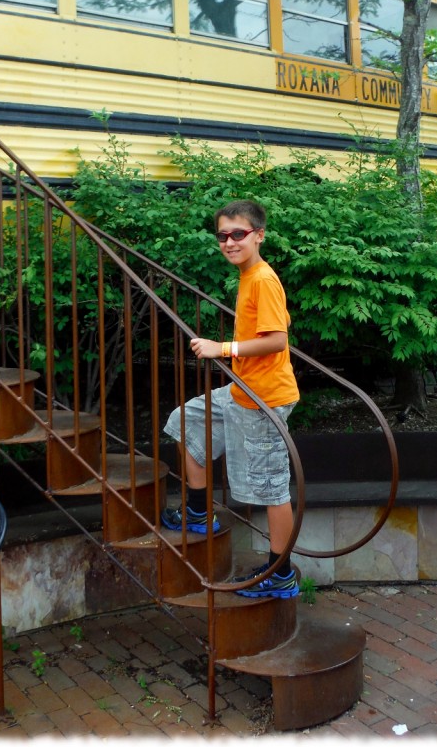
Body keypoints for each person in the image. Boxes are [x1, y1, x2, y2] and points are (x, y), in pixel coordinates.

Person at [161, 198, 300, 599]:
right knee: (186, 422)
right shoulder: (249, 276)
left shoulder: (262, 279)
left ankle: (280, 573)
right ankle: (199, 513)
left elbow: (277, 339)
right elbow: (278, 320)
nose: (229, 242)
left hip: (264, 400)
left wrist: (221, 348)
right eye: (222, 235)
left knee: (272, 487)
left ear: (259, 235)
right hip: (240, 391)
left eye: (238, 234)